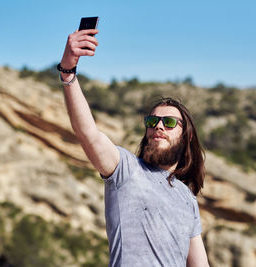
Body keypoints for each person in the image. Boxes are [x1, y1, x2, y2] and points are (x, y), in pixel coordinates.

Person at [59, 28, 210, 267]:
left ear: (186, 137)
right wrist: (68, 72)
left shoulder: (187, 199)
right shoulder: (126, 170)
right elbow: (88, 133)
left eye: (169, 123)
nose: (158, 126)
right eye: (152, 121)